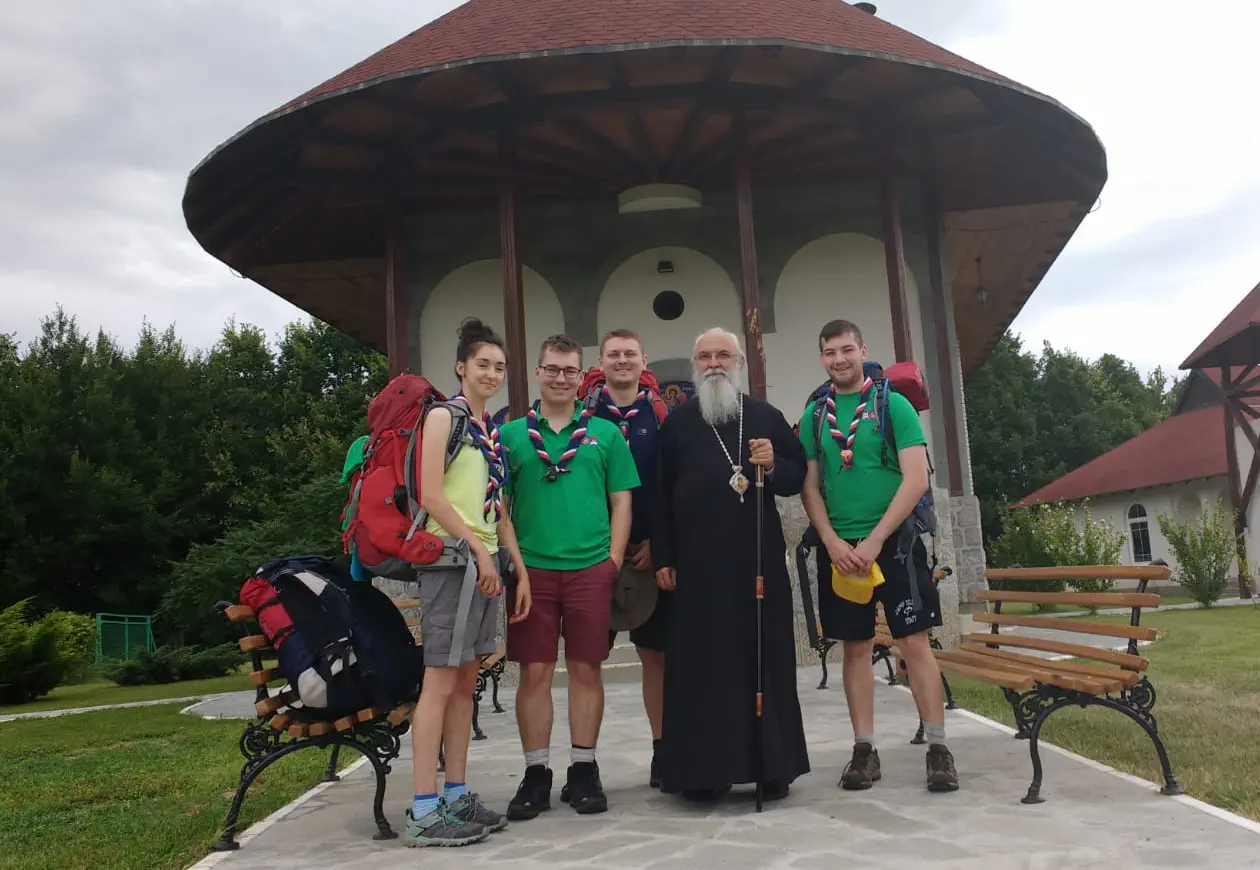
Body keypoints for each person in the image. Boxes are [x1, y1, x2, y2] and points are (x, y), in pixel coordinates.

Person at [799, 318, 958, 793]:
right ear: (822, 357)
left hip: (896, 544)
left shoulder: (895, 405)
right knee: (855, 647)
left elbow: (915, 479)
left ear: (862, 350)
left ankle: (938, 747)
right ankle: (864, 749)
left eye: (847, 349)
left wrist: (875, 540)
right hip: (841, 549)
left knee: (914, 643)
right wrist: (830, 541)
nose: (839, 359)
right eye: (830, 352)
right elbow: (810, 484)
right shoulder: (813, 415)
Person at [651, 327, 810, 802]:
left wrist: (773, 465)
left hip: (755, 564)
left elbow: (796, 474)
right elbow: (658, 496)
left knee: (764, 660)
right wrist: (663, 556)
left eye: (723, 354)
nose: (714, 362)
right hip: (696, 570)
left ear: (739, 362)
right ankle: (703, 773)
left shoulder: (763, 416)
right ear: (694, 365)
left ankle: (770, 767)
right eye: (705, 356)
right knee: (702, 669)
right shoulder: (677, 424)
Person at [499, 333, 640, 818]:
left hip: (589, 568)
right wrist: (514, 564)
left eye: (570, 371)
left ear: (583, 377)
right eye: (552, 369)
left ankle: (584, 768)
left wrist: (613, 561)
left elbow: (622, 500)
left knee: (586, 669)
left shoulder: (606, 433)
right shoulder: (512, 435)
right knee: (534, 672)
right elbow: (498, 505)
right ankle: (536, 772)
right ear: (537, 373)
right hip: (531, 572)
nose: (561, 378)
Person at [405, 318, 534, 847]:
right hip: (449, 565)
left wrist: (517, 567)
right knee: (438, 682)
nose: (492, 373)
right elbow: (430, 493)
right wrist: (478, 550)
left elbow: (497, 509)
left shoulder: (491, 434)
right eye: (483, 363)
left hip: (482, 567)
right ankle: (422, 808)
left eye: (500, 367)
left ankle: (456, 795)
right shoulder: (443, 417)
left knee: (465, 684)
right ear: (461, 367)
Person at [587, 328, 670, 788]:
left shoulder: (662, 417)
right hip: (596, 554)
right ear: (600, 361)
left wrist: (659, 541)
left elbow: (671, 483)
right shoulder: (583, 415)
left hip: (649, 554)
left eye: (630, 354)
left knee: (654, 654)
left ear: (644, 360)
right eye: (613, 354)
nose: (622, 361)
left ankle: (662, 749)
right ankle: (586, 761)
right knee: (588, 658)